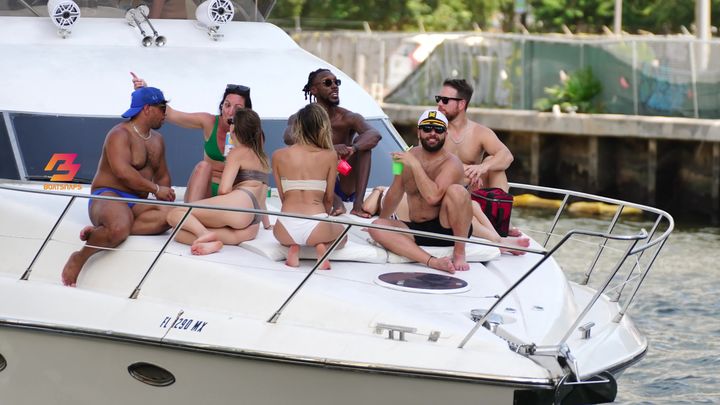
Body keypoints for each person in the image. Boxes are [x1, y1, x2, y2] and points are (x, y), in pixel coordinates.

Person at [61, 87, 176, 287]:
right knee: (119, 228)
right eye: (162, 108)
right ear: (147, 108)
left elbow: (163, 175)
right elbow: (123, 172)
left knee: (168, 218)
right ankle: (80, 256)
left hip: (136, 201)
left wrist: (165, 194)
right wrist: (156, 190)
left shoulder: (158, 140)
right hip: (109, 195)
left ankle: (100, 232)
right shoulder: (119, 134)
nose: (166, 113)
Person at [368, 110, 472, 274]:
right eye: (427, 128)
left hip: (449, 228)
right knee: (376, 227)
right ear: (418, 131)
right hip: (418, 228)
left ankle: (460, 251)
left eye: (438, 130)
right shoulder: (408, 157)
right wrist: (383, 221)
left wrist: (415, 165)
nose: (432, 133)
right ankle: (432, 262)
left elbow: (433, 197)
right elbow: (395, 193)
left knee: (457, 191)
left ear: (446, 133)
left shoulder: (452, 162)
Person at [131, 73, 252, 202]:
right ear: (222, 106)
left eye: (237, 108)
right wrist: (144, 91)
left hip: (232, 192)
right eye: (227, 105)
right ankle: (189, 214)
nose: (230, 111)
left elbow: (258, 177)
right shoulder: (209, 122)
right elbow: (171, 114)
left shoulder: (252, 133)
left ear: (246, 111)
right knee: (203, 166)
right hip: (206, 191)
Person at [166, 109, 271, 255]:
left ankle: (203, 233)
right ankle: (210, 241)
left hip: (240, 206)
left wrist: (213, 204)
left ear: (234, 129)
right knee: (178, 233)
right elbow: (262, 201)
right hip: (253, 223)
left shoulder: (237, 153)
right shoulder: (262, 158)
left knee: (175, 214)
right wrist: (267, 225)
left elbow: (224, 190)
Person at [283, 68, 381, 218]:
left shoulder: (348, 117)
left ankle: (357, 205)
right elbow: (288, 137)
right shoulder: (300, 119)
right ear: (314, 90)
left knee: (364, 146)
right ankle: (335, 201)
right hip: (317, 183)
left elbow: (375, 134)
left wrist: (353, 148)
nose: (334, 86)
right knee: (299, 150)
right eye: (327, 83)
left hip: (345, 177)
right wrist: (330, 150)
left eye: (336, 82)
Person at [273, 104, 347, 270]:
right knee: (343, 235)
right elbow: (328, 199)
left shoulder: (278, 155)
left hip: (284, 227)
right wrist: (324, 222)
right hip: (316, 223)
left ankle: (293, 248)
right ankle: (322, 248)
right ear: (323, 127)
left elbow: (283, 196)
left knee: (290, 237)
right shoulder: (330, 155)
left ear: (298, 126)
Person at [436, 78, 514, 192]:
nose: (439, 103)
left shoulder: (480, 132)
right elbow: (430, 162)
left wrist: (483, 167)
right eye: (438, 99)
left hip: (473, 191)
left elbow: (507, 156)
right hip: (445, 191)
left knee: (493, 162)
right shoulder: (432, 131)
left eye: (445, 100)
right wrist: (467, 169)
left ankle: (499, 208)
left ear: (461, 104)